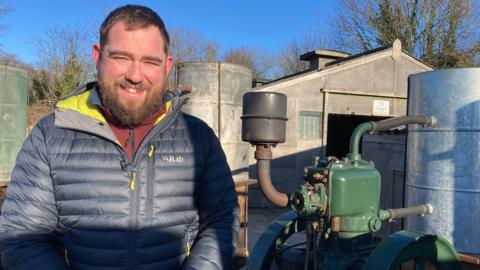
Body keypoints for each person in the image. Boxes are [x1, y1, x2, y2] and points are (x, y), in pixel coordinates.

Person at [0, 4, 239, 270]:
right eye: (121, 57)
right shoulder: (51, 134)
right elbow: (22, 238)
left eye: (150, 61)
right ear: (98, 56)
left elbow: (221, 221)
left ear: (167, 66)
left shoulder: (198, 138)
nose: (135, 76)